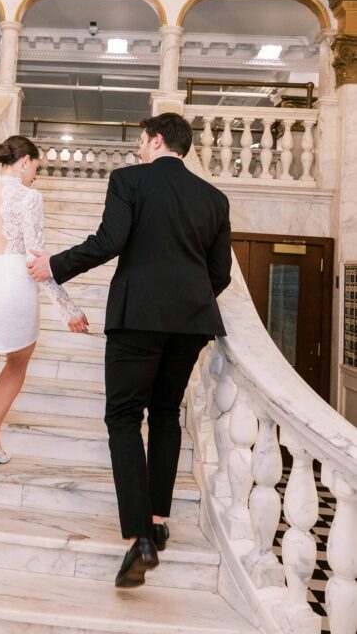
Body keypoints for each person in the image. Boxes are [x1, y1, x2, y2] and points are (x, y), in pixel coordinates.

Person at [27, 113, 231, 587]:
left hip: (137, 316)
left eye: (141, 140)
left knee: (123, 417)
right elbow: (218, 273)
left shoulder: (128, 180)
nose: (137, 149)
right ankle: (157, 521)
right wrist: (189, 302)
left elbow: (110, 241)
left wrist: (54, 265)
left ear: (157, 140)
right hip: (190, 324)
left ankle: (139, 538)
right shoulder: (214, 198)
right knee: (165, 414)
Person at [0, 134, 88, 520]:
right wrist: (67, 307)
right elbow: (36, 258)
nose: (36, 175)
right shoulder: (29, 198)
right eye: (36, 166)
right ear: (24, 161)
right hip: (11, 282)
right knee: (19, 360)